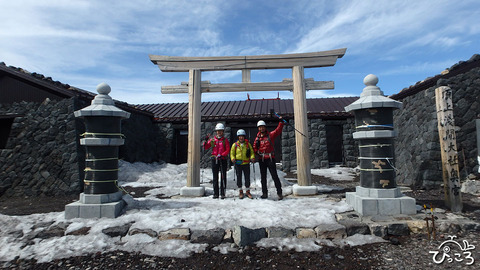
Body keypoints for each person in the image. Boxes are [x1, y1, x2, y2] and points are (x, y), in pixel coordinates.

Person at [253, 119, 285, 200]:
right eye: (260, 127)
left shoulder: (270, 135)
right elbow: (254, 148)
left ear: (265, 127)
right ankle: (264, 193)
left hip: (270, 159)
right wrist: (256, 152)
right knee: (263, 177)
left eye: (263, 127)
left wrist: (281, 122)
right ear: (258, 128)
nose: (261, 129)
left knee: (274, 176)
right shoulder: (257, 139)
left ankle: (279, 193)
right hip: (262, 159)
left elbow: (278, 131)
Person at [204, 123, 230, 199]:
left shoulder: (225, 140)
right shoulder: (213, 140)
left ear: (223, 131)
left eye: (220, 131)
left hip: (222, 159)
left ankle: (223, 193)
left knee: (223, 176)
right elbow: (206, 147)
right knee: (215, 177)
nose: (219, 132)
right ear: (216, 131)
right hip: (214, 159)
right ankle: (216, 193)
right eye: (218, 131)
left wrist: (222, 154)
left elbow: (227, 149)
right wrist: (206, 140)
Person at [230, 129, 255, 199]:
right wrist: (233, 159)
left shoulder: (248, 144)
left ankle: (247, 191)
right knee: (239, 177)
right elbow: (232, 153)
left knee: (247, 177)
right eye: (240, 136)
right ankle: (240, 191)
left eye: (242, 136)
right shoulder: (235, 145)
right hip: (238, 164)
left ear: (244, 137)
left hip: (246, 163)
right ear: (238, 137)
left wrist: (252, 157)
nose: (241, 138)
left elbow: (252, 152)